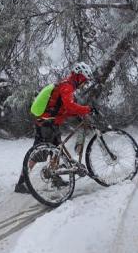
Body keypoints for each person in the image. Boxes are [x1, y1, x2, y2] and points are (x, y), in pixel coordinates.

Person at [14, 62, 94, 194]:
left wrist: (78, 114)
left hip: (51, 122)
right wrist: (87, 109)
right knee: (38, 154)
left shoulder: (66, 85)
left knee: (56, 151)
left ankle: (55, 178)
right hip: (46, 122)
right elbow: (69, 106)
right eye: (84, 80)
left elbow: (63, 109)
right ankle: (21, 183)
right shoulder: (67, 86)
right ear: (79, 77)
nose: (84, 84)